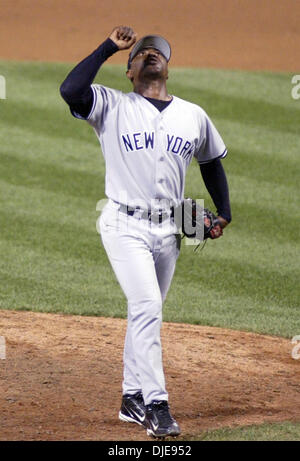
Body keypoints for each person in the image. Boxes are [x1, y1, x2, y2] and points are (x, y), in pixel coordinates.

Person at [60, 25, 231, 438]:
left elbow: (211, 162)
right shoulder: (111, 105)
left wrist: (223, 213)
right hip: (123, 223)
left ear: (168, 69)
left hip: (171, 228)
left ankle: (131, 398)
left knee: (146, 313)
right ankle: (157, 405)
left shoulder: (193, 115)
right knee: (148, 307)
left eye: (160, 53)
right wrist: (107, 48)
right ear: (130, 70)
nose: (152, 54)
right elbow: (70, 90)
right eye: (142, 53)